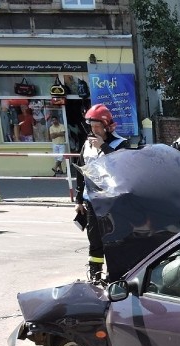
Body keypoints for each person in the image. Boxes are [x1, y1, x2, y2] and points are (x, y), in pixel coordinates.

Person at [74, 104, 129, 283]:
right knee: (95, 240)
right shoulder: (86, 146)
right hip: (92, 201)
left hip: (112, 201)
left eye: (97, 127)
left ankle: (116, 275)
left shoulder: (120, 143)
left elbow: (122, 167)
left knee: (114, 239)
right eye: (92, 126)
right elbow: (80, 172)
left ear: (107, 126)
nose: (94, 130)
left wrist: (104, 147)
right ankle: (95, 275)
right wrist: (78, 200)